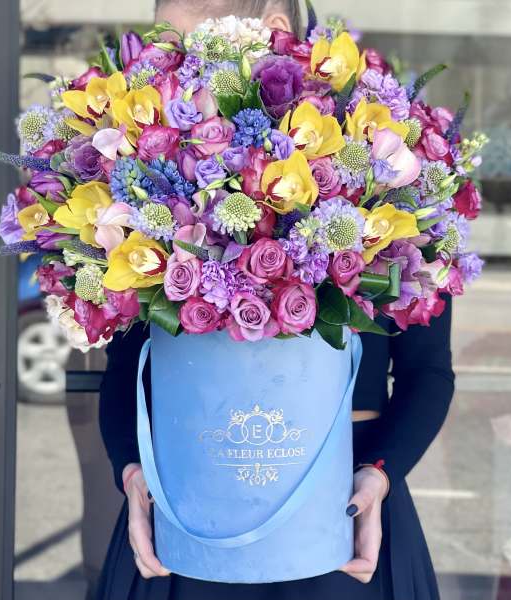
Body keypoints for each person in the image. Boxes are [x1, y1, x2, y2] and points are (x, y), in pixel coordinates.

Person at [96, 2, 456, 599]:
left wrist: (380, 475)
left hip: (345, 514)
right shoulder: (145, 177)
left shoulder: (386, 163)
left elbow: (428, 372)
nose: (170, 76)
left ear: (273, 28)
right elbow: (128, 366)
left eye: (188, 50)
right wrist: (131, 472)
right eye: (163, 54)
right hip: (186, 512)